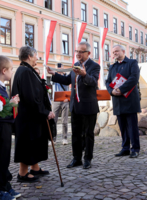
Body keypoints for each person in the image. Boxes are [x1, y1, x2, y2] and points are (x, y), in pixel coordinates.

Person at [47, 41, 100, 169]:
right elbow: (67, 80)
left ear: (88, 53)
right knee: (75, 134)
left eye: (81, 52)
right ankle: (76, 158)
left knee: (88, 134)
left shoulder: (94, 66)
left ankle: (87, 159)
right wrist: (55, 74)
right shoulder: (75, 65)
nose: (78, 54)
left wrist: (84, 75)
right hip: (75, 106)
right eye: (77, 51)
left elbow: (93, 82)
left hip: (88, 106)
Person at [12, 46, 55, 182]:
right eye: (36, 55)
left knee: (35, 142)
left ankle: (35, 168)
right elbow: (31, 97)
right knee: (28, 143)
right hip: (28, 117)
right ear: (30, 56)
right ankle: (22, 173)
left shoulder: (27, 70)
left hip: (31, 116)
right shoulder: (25, 71)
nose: (38, 57)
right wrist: (45, 111)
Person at [0, 55, 21, 200]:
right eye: (11, 69)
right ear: (4, 70)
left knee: (5, 157)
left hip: (6, 127)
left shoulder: (0, 86)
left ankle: (6, 185)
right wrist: (12, 104)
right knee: (0, 158)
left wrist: (11, 104)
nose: (12, 72)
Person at [106, 44, 141, 158]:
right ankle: (125, 148)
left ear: (123, 51)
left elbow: (134, 78)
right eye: (113, 52)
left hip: (130, 100)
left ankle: (135, 149)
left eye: (117, 51)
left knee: (132, 126)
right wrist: (111, 91)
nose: (114, 53)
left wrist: (121, 89)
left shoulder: (132, 63)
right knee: (122, 127)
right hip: (118, 101)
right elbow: (108, 82)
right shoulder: (112, 67)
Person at [51, 63, 69, 145]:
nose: (60, 71)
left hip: (65, 100)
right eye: (58, 69)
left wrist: (64, 74)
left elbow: (67, 83)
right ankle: (53, 138)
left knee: (64, 120)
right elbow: (52, 81)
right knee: (53, 120)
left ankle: (64, 138)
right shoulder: (54, 77)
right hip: (56, 100)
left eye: (61, 69)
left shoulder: (66, 77)